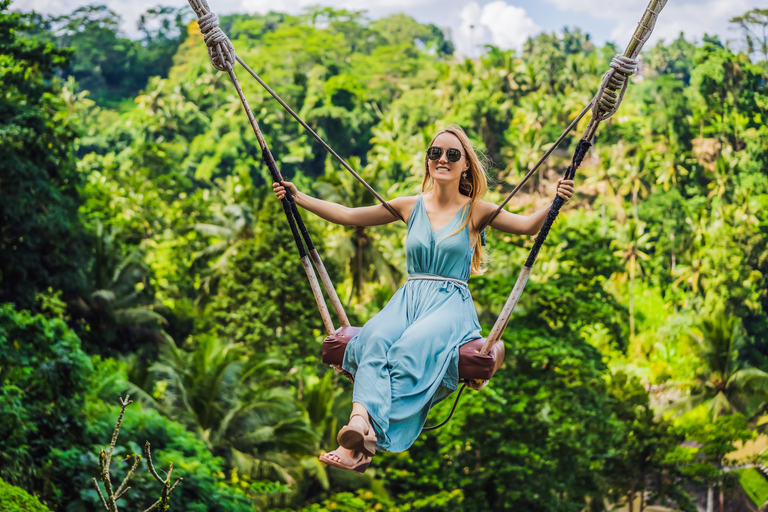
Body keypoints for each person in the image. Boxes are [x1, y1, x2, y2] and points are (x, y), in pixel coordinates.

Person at [273, 125, 575, 473]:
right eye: (435, 153)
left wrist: (556, 202)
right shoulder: (408, 205)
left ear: (465, 166)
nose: (442, 159)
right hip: (410, 298)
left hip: (450, 303)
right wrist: (299, 198)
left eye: (452, 154)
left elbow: (527, 226)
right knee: (373, 338)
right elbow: (350, 215)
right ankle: (359, 423)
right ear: (427, 161)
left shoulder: (476, 210)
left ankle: (366, 435)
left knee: (409, 348)